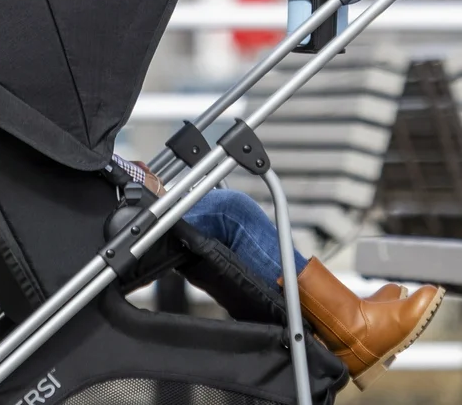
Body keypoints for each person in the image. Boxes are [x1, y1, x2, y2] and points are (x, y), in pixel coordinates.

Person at [113, 155, 445, 392]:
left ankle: (340, 326)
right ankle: (351, 331)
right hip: (111, 229)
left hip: (107, 221)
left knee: (227, 210)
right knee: (231, 211)